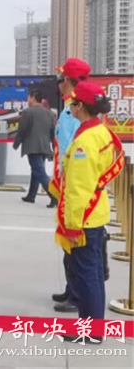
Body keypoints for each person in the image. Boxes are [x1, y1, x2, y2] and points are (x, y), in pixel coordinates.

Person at [55, 82, 123, 333]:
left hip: (84, 217)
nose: (70, 107)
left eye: (73, 103)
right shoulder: (101, 131)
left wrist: (72, 226)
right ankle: (94, 325)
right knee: (92, 273)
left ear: (81, 106)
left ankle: (90, 330)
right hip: (96, 212)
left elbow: (78, 188)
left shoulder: (85, 141)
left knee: (85, 275)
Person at [48, 58, 91, 314]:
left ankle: (76, 294)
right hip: (66, 181)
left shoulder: (76, 109)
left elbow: (75, 148)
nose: (59, 83)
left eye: (61, 78)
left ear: (67, 81)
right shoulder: (69, 107)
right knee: (68, 241)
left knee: (75, 240)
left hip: (74, 182)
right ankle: (71, 288)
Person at [12, 90, 56, 206]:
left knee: (39, 172)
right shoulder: (49, 113)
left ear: (33, 98)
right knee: (36, 171)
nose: (27, 101)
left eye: (28, 98)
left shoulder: (28, 112)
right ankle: (31, 196)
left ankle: (54, 195)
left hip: (33, 147)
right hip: (44, 147)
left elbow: (22, 130)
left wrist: (16, 144)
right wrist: (53, 147)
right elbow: (53, 132)